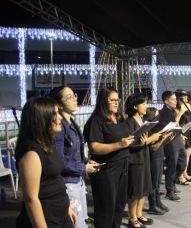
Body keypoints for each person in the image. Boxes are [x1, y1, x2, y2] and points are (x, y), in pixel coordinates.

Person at [15, 97, 76, 227]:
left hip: (61, 216)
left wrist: (67, 208)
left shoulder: (47, 145)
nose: (60, 117)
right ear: (43, 119)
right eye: (55, 114)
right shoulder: (31, 153)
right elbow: (31, 199)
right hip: (47, 219)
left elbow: (54, 179)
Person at [83, 87, 134, 227]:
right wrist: (119, 144)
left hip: (123, 166)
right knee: (106, 209)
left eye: (117, 100)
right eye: (112, 100)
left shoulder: (119, 117)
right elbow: (95, 147)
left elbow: (125, 139)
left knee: (119, 206)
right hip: (107, 170)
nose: (116, 103)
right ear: (103, 102)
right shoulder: (96, 120)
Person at [50, 86, 100, 228]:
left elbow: (74, 152)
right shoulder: (60, 128)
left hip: (77, 180)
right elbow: (59, 161)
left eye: (74, 95)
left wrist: (86, 161)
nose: (74, 99)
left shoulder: (71, 122)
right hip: (68, 183)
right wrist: (84, 168)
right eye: (69, 97)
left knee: (81, 220)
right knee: (75, 222)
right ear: (59, 105)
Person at [125, 93, 161, 228]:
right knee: (135, 190)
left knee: (144, 188)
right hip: (135, 160)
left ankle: (139, 214)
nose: (146, 106)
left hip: (144, 158)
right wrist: (149, 141)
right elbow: (131, 144)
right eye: (144, 103)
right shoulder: (129, 122)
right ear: (135, 106)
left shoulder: (142, 120)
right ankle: (132, 217)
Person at [153, 91, 187, 201]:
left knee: (182, 164)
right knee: (172, 166)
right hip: (170, 142)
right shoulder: (163, 113)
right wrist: (181, 113)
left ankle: (172, 183)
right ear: (166, 101)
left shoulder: (172, 111)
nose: (176, 101)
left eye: (175, 99)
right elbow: (169, 127)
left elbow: (176, 125)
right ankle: (169, 190)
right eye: (173, 99)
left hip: (178, 140)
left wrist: (181, 134)